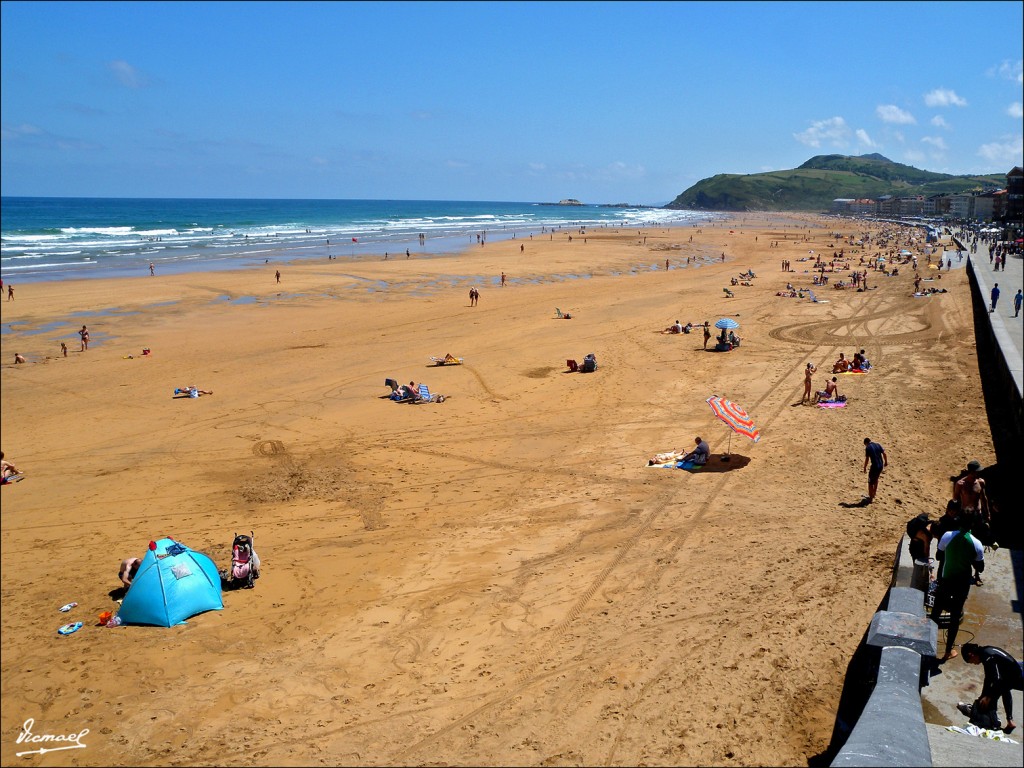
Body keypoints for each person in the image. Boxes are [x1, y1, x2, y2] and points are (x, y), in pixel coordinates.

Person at [930, 512, 984, 661]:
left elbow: (939, 556)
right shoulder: (976, 544)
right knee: (954, 617)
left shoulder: (947, 536)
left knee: (935, 613)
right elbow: (980, 567)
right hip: (961, 585)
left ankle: (927, 645)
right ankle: (948, 652)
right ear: (972, 525)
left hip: (945, 581)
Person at [960, 643, 1023, 733]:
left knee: (994, 696)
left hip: (1016, 676)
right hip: (1010, 671)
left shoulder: (987, 656)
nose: (974, 664)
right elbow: (988, 678)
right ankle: (1010, 721)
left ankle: (993, 724)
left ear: (971, 655)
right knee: (1002, 689)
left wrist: (988, 697)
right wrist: (983, 695)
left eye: (972, 661)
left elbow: (996, 679)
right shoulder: (985, 652)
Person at [862, 437, 887, 503]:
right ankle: (874, 494)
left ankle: (870, 498)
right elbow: (884, 453)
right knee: (876, 479)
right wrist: (886, 462)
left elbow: (867, 459)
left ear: (866, 443)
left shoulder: (868, 448)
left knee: (870, 482)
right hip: (880, 466)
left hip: (874, 466)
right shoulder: (878, 445)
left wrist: (865, 467)